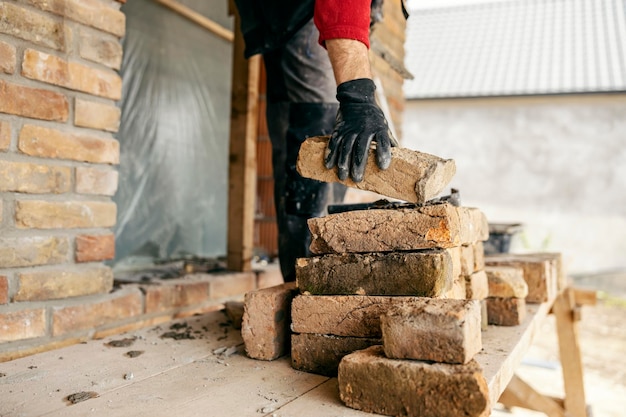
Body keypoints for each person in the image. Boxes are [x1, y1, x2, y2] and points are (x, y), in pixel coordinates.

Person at [234, 0, 397, 282]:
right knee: (317, 131)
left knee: (330, 133)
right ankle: (306, 288)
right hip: (303, 13)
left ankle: (313, 283)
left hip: (301, 16)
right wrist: (357, 95)